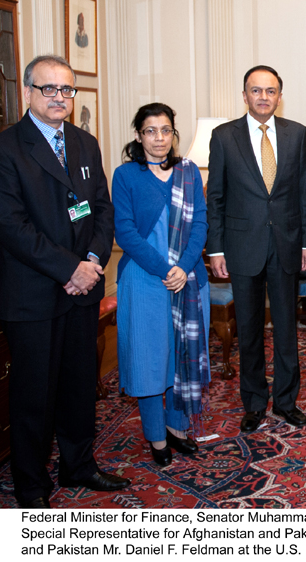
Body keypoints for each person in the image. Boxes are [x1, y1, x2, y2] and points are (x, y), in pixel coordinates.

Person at [0, 55, 128, 507]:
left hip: (82, 291)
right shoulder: (1, 149)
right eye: (50, 89)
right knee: (33, 397)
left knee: (80, 386)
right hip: (34, 295)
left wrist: (90, 261)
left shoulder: (84, 142)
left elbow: (102, 210)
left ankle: (79, 465)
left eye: (67, 90)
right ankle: (31, 486)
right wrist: (72, 269)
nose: (60, 98)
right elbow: (12, 227)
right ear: (27, 92)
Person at [207, 65, 306, 432]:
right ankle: (253, 402)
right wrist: (215, 250)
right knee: (249, 330)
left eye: (271, 91)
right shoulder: (223, 137)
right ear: (244, 95)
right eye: (256, 90)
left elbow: (304, 193)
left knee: (286, 329)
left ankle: (286, 401)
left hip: (286, 245)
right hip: (241, 247)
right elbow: (216, 198)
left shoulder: (297, 134)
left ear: (279, 96)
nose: (264, 97)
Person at [112, 103, 211, 466]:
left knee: (182, 355)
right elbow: (125, 232)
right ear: (139, 136)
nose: (159, 138)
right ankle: (156, 437)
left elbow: (200, 224)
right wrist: (164, 269)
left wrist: (183, 268)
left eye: (165, 130)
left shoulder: (188, 173)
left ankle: (178, 427)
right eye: (151, 131)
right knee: (150, 361)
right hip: (144, 280)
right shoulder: (125, 176)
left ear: (174, 133)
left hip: (188, 279)